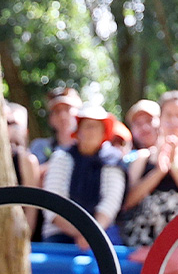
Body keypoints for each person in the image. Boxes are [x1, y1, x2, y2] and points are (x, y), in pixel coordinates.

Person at [115, 103, 178, 274]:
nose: (173, 121)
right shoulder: (142, 157)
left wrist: (175, 166)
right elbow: (128, 201)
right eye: (168, 115)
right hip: (144, 238)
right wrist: (158, 171)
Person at [41, 104, 127, 246]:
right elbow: (52, 203)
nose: (91, 132)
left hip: (102, 231)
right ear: (78, 130)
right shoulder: (61, 157)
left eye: (96, 127)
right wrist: (80, 233)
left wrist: (92, 233)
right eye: (87, 126)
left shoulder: (113, 161)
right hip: (60, 233)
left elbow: (111, 202)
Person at [36, 87, 81, 166]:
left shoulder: (88, 148)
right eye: (57, 111)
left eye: (67, 109)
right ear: (50, 119)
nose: (62, 116)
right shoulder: (40, 146)